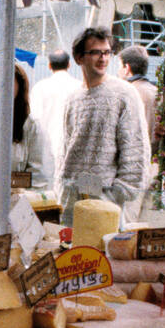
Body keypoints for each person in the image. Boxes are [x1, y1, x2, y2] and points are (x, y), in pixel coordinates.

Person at [59, 27, 150, 225]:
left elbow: (136, 153)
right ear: (79, 57)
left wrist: (113, 197)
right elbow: (65, 151)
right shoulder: (72, 98)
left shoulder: (124, 94)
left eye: (107, 52)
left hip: (105, 209)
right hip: (70, 208)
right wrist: (62, 189)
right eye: (95, 52)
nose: (103, 58)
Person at [29, 50, 80, 182]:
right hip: (73, 151)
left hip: (45, 149)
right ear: (69, 65)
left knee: (47, 195)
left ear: (49, 66)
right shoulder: (80, 87)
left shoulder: (39, 88)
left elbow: (34, 120)